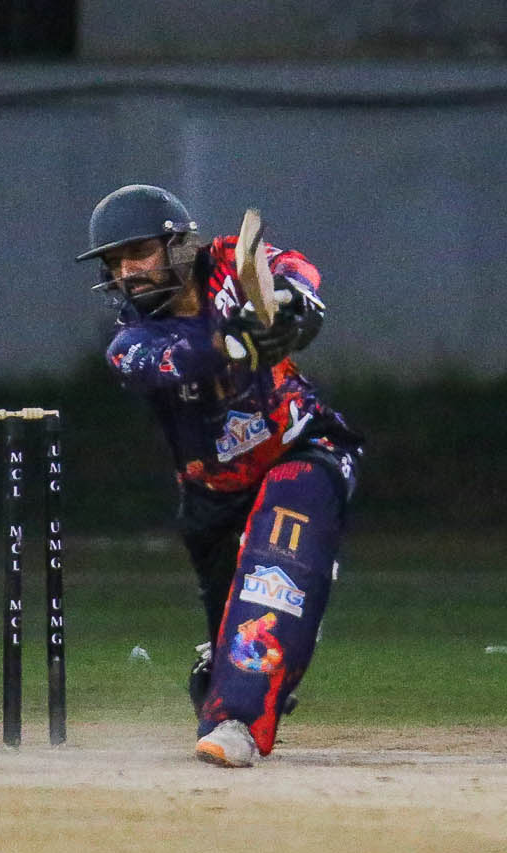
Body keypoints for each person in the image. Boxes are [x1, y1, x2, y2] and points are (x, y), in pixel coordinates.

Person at [75, 185, 364, 767]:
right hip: (211, 501)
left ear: (180, 245)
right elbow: (181, 358)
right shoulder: (130, 343)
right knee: (223, 667)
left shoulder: (229, 261)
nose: (128, 272)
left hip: (303, 447)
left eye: (140, 253)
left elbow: (290, 265)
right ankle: (235, 679)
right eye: (115, 262)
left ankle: (238, 721)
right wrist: (238, 338)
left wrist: (296, 301)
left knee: (274, 572)